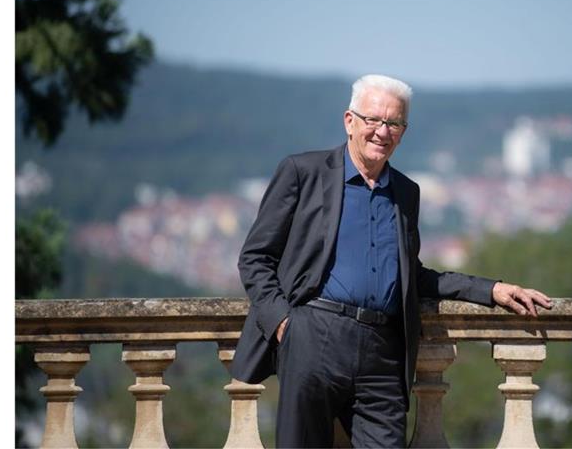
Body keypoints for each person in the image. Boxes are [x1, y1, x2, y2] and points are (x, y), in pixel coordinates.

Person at [231, 74, 552, 448]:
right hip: (312, 337)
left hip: (382, 352)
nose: (382, 131)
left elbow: (411, 276)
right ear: (349, 121)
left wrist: (490, 289)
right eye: (373, 120)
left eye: (394, 123)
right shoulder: (304, 173)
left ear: (403, 130)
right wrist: (284, 325)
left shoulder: (406, 192)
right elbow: (255, 257)